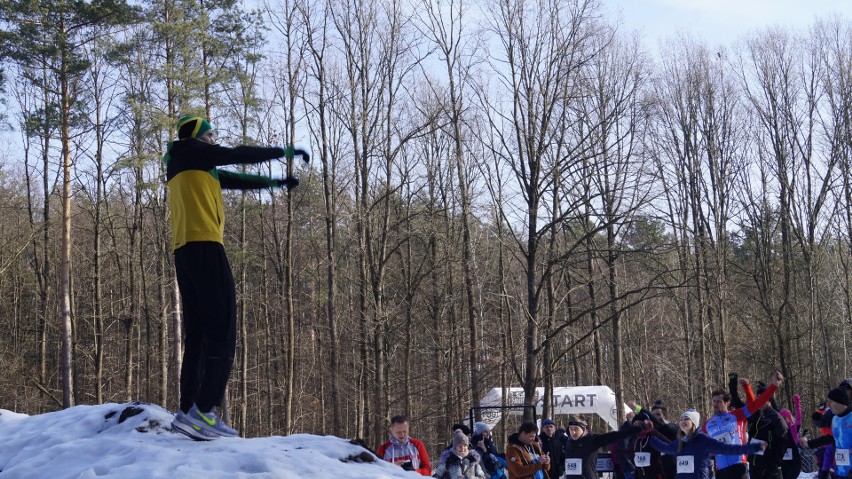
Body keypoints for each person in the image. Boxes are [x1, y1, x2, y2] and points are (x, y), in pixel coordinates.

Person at [165, 115, 303, 440]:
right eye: (211, 134)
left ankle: (187, 412)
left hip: (185, 251)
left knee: (198, 335)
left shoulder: (191, 164)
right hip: (205, 247)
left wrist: (276, 184)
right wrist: (282, 151)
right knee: (222, 332)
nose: (215, 140)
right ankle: (204, 410)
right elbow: (236, 154)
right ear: (198, 136)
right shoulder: (192, 152)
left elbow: (236, 178)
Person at [703, 371, 784, 479]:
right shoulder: (707, 424)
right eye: (714, 401)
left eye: (719, 401)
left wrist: (773, 386)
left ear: (727, 403)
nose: (715, 404)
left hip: (738, 465)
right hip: (720, 470)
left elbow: (756, 404)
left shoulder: (737, 415)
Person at [648, 409, 766, 479]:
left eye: (686, 419)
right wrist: (649, 437)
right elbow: (664, 447)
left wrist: (753, 448)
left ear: (693, 423)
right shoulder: (680, 442)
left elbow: (728, 449)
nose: (682, 422)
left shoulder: (703, 441)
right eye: (681, 419)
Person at [561, 415, 651, 479]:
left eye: (576, 429)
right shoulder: (568, 441)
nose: (573, 432)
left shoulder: (592, 440)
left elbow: (615, 436)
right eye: (571, 429)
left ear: (584, 429)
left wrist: (636, 429)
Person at [799, 387, 852, 479]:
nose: (828, 405)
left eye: (830, 401)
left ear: (839, 402)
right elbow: (830, 438)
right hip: (841, 470)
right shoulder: (835, 420)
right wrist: (809, 444)